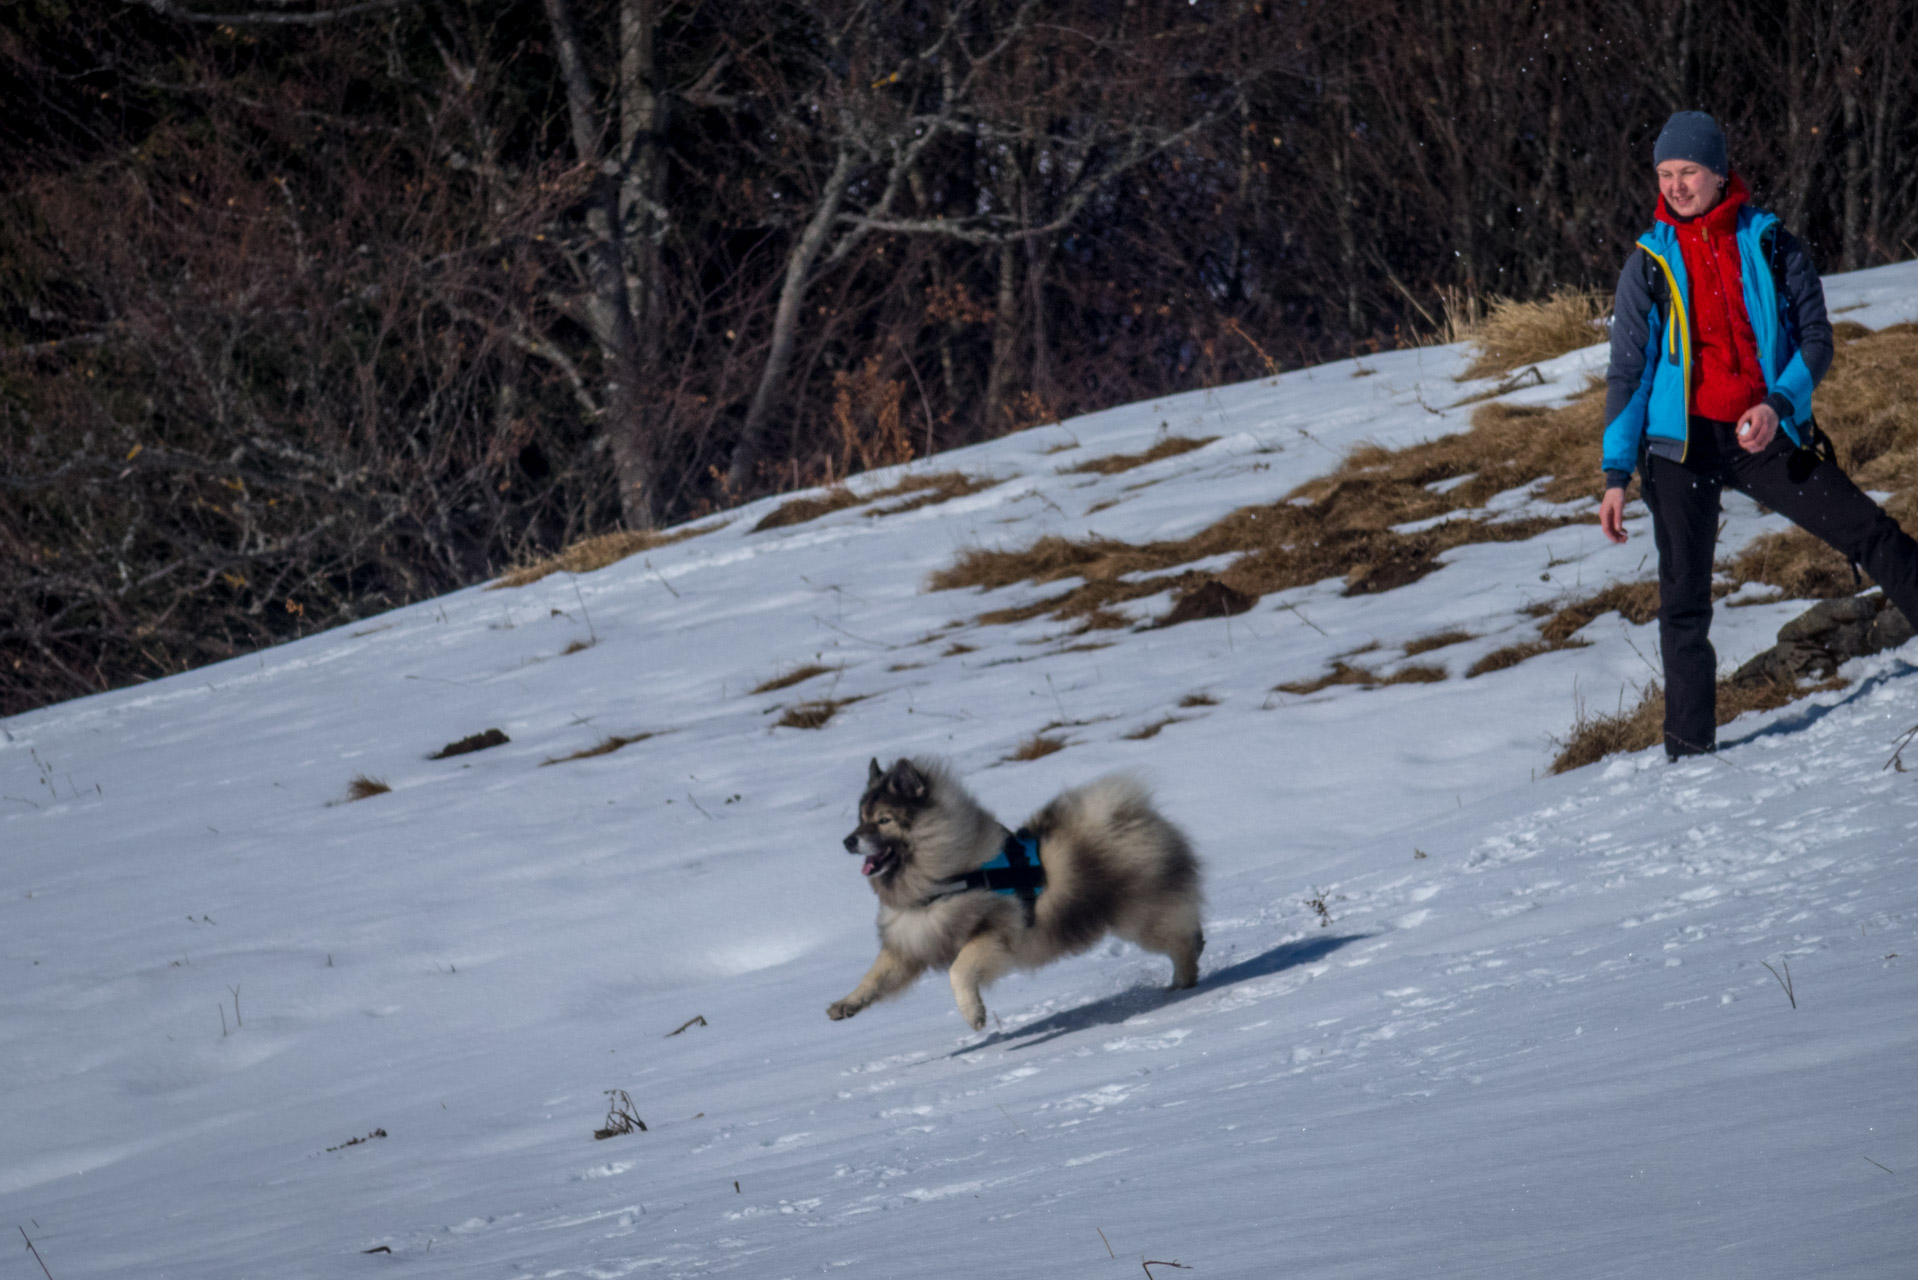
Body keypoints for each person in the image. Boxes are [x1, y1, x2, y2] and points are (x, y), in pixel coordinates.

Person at [1599, 110, 1918, 760]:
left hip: (1761, 430)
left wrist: (1778, 404)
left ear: (1719, 172)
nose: (1677, 186)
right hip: (1678, 449)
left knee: (1871, 532)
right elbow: (1628, 376)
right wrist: (1613, 475)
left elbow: (1816, 341)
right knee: (1684, 605)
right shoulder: (1649, 265)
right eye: (1665, 174)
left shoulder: (1772, 244)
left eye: (1688, 171)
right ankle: (1690, 758)